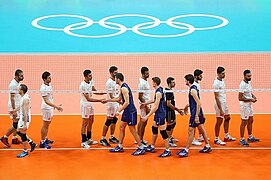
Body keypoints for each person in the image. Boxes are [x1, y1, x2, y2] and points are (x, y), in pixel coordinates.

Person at [104, 73, 145, 156]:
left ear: (118, 79)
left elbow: (127, 102)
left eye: (115, 78)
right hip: (126, 111)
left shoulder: (124, 88)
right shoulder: (122, 87)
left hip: (130, 111)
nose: (114, 80)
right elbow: (119, 99)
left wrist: (118, 111)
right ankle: (120, 145)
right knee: (121, 127)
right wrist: (107, 100)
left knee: (132, 129)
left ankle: (141, 147)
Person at [177, 74, 212, 157]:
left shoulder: (192, 90)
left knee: (190, 130)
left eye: (185, 80)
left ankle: (186, 150)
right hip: (197, 112)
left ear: (188, 81)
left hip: (196, 113)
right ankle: (207, 146)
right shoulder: (193, 88)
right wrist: (187, 106)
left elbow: (198, 103)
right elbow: (193, 102)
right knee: (201, 128)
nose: (185, 81)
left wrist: (196, 115)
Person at [142, 77, 171, 158]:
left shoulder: (158, 92)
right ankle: (152, 146)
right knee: (154, 128)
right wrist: (146, 103)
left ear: (155, 83)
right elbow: (154, 100)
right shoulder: (160, 89)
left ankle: (167, 150)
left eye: (152, 82)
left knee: (163, 132)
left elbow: (156, 106)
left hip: (160, 114)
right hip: (159, 113)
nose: (152, 83)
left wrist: (147, 116)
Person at [80, 70, 105, 149]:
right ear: (86, 76)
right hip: (85, 105)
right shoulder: (82, 86)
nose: (91, 77)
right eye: (90, 75)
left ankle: (89, 139)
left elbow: (94, 90)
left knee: (91, 120)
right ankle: (84, 141)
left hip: (90, 105)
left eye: (91, 75)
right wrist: (100, 100)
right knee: (85, 123)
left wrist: (104, 92)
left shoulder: (91, 81)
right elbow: (88, 99)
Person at [39, 71, 63, 149]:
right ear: (44, 79)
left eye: (50, 77)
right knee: (45, 125)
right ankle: (42, 142)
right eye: (49, 77)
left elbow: (50, 98)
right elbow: (46, 101)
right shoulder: (43, 88)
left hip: (50, 107)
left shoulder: (49, 85)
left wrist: (54, 106)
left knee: (47, 124)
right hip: (46, 108)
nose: (50, 78)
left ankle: (45, 138)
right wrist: (56, 106)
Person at [1, 69, 24, 147]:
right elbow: (12, 98)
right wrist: (14, 110)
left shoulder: (17, 83)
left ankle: (14, 138)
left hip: (17, 105)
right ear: (16, 76)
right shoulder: (13, 85)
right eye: (21, 76)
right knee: (16, 124)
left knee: (17, 122)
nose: (22, 77)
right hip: (13, 106)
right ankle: (5, 137)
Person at [213, 67, 235, 146]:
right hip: (219, 104)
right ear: (218, 74)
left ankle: (226, 136)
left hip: (224, 103)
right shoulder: (216, 83)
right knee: (219, 121)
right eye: (222, 73)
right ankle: (216, 138)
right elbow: (216, 97)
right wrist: (221, 109)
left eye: (224, 73)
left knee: (227, 118)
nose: (224, 75)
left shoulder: (222, 80)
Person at [239, 70, 259, 146]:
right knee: (244, 122)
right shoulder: (242, 85)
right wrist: (251, 99)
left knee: (251, 120)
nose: (250, 77)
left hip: (249, 104)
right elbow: (240, 98)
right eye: (248, 76)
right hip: (244, 105)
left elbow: (249, 92)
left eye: (250, 76)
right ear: (244, 76)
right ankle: (242, 139)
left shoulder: (249, 82)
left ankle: (250, 137)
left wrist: (253, 96)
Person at [100, 66, 119, 146]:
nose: (116, 74)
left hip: (115, 103)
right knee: (108, 121)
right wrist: (120, 100)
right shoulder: (109, 82)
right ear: (111, 73)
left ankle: (112, 136)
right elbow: (111, 96)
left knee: (114, 120)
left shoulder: (116, 81)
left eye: (117, 72)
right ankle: (103, 138)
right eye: (115, 72)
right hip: (111, 104)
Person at [16, 84, 37, 158]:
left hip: (24, 118)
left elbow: (25, 112)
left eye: (19, 89)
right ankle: (31, 143)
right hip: (22, 118)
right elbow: (21, 107)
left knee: (23, 134)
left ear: (22, 90)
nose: (18, 90)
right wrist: (14, 111)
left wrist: (25, 124)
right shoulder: (24, 97)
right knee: (18, 131)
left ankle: (25, 151)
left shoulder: (25, 99)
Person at [165, 77, 184, 147]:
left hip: (172, 110)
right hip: (169, 111)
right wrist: (178, 110)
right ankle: (168, 140)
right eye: (173, 82)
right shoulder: (168, 92)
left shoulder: (170, 90)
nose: (174, 83)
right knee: (169, 125)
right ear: (169, 83)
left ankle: (170, 137)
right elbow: (168, 104)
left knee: (173, 123)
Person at [137, 67, 150, 146]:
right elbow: (140, 96)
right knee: (143, 122)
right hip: (144, 104)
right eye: (146, 74)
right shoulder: (142, 83)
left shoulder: (145, 81)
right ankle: (140, 140)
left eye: (148, 73)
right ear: (142, 73)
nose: (148, 74)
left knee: (142, 122)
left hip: (146, 103)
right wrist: (145, 105)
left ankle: (139, 138)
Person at [192, 69, 204, 146]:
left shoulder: (197, 84)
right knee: (194, 122)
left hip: (198, 104)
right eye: (200, 76)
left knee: (201, 120)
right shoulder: (194, 85)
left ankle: (200, 136)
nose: (201, 77)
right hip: (195, 106)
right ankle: (193, 139)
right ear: (196, 76)